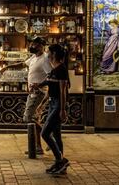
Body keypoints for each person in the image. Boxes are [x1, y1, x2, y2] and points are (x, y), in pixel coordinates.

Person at [1, 37, 52, 155]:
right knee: (35, 118)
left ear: (41, 46)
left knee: (28, 118)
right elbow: (23, 64)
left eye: (35, 44)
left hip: (39, 93)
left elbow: (51, 77)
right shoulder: (34, 57)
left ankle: (49, 137)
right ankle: (38, 147)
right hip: (33, 93)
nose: (32, 46)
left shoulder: (45, 59)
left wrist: (40, 85)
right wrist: (8, 67)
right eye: (32, 43)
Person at [36, 44, 70, 175]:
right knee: (56, 135)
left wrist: (62, 109)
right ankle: (60, 165)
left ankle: (60, 160)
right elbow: (50, 88)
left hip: (58, 105)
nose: (46, 53)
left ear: (54, 53)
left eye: (48, 51)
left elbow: (63, 91)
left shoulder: (62, 69)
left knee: (44, 133)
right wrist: (42, 104)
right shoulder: (54, 69)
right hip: (52, 104)